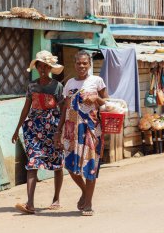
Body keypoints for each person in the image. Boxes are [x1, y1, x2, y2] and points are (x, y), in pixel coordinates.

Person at [54, 50, 108, 216]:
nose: (82, 66)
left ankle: (88, 204)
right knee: (70, 166)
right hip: (71, 130)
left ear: (89, 64)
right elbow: (65, 108)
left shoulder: (97, 81)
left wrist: (96, 99)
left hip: (91, 129)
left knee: (90, 165)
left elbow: (107, 102)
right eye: (79, 63)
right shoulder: (69, 83)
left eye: (85, 63)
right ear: (75, 64)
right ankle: (85, 191)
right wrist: (59, 130)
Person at [12, 50, 65, 214]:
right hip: (34, 130)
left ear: (50, 68)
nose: (43, 69)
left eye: (46, 66)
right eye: (40, 66)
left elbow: (63, 110)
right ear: (36, 67)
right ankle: (30, 203)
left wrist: (61, 131)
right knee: (33, 162)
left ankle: (56, 199)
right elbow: (26, 108)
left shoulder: (57, 87)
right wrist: (16, 129)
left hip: (52, 129)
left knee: (57, 164)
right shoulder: (32, 86)